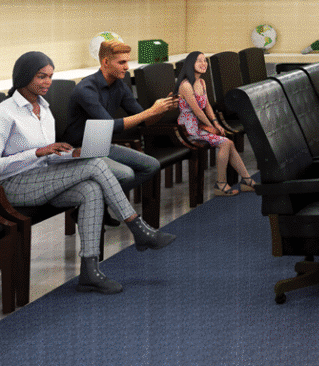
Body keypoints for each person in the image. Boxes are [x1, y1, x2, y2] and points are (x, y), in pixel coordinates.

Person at [0, 52, 175, 295]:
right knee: (95, 165)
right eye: (41, 76)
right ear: (24, 76)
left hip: (42, 179)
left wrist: (67, 154)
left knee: (90, 189)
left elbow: (47, 157)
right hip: (13, 187)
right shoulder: (5, 112)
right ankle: (137, 228)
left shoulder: (45, 110)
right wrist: (38, 152)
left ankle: (89, 272)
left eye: (50, 76)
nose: (47, 82)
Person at [66, 40, 177, 224]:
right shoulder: (86, 89)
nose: (127, 67)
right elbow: (110, 125)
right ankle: (92, 205)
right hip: (80, 149)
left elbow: (143, 119)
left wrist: (162, 109)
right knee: (126, 174)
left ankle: (95, 203)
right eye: (122, 62)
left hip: (101, 144)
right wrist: (150, 111)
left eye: (127, 61)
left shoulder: (119, 85)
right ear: (105, 62)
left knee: (151, 165)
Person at [176, 51, 258, 197]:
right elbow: (198, 112)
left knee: (229, 143)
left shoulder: (201, 82)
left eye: (205, 60)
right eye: (198, 61)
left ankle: (246, 180)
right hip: (189, 128)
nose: (203, 64)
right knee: (226, 143)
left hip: (201, 126)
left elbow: (207, 106)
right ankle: (221, 184)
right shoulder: (185, 85)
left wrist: (216, 123)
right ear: (190, 64)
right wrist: (213, 127)